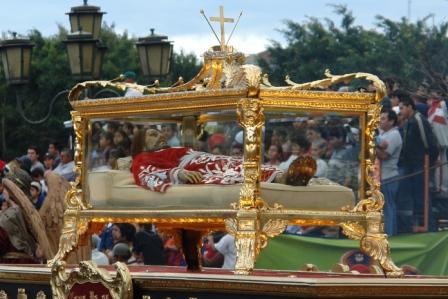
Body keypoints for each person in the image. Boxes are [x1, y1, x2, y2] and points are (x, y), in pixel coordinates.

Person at [131, 128, 284, 193]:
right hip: (194, 167)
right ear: (141, 143)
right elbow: (144, 175)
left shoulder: (167, 149)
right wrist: (177, 173)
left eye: (159, 133)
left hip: (203, 158)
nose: (160, 136)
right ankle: (281, 178)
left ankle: (283, 175)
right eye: (152, 135)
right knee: (236, 170)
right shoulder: (141, 158)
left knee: (241, 164)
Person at [397, 96, 436, 233]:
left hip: (420, 164)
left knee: (423, 197)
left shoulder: (419, 120)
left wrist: (428, 163)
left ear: (409, 107)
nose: (400, 111)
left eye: (402, 108)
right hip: (411, 164)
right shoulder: (408, 122)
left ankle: (430, 227)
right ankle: (416, 226)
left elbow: (429, 143)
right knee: (413, 196)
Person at [376, 109, 402, 236]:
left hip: (388, 176)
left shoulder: (394, 134)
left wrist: (370, 146)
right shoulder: (382, 133)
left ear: (391, 121)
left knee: (388, 207)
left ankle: (390, 235)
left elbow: (384, 155)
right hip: (379, 176)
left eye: (383, 119)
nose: (380, 121)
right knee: (382, 208)